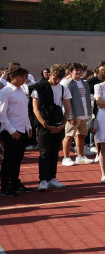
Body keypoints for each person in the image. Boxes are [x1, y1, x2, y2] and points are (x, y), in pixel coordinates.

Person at [30, 64, 71, 191]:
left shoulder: (64, 89)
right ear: (49, 75)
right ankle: (43, 180)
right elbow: (35, 109)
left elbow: (67, 109)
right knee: (44, 153)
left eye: (59, 78)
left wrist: (63, 124)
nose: (57, 80)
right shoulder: (39, 88)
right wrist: (45, 125)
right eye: (55, 77)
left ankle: (52, 178)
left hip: (58, 124)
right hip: (44, 126)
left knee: (54, 152)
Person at [0, 68, 32, 197]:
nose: (25, 79)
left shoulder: (21, 91)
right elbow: (2, 114)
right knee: (9, 159)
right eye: (22, 76)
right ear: (13, 76)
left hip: (22, 129)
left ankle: (15, 183)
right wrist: (12, 130)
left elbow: (24, 111)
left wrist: (28, 126)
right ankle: (6, 186)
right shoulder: (5, 92)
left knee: (18, 159)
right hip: (11, 131)